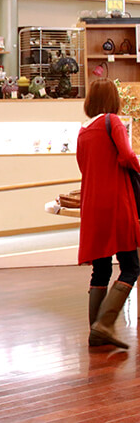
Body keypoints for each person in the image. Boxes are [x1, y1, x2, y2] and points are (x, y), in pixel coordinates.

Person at [77, 79, 140, 348]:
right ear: (113, 99)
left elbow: (83, 166)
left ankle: (95, 332)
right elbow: (126, 156)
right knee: (131, 266)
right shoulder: (112, 121)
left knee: (100, 269)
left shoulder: (83, 130)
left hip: (92, 204)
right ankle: (103, 325)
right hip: (116, 201)